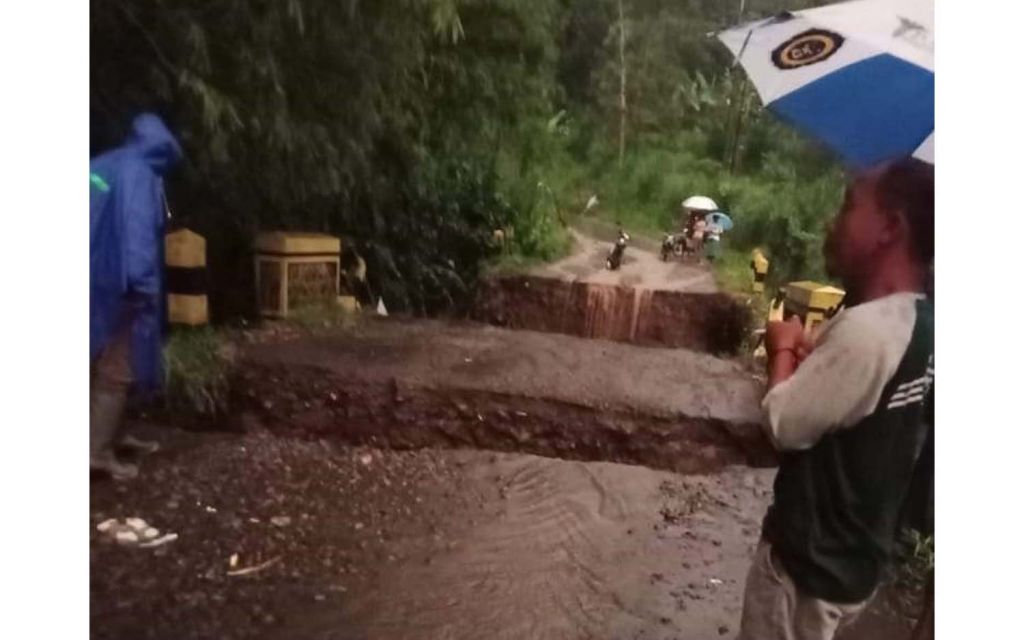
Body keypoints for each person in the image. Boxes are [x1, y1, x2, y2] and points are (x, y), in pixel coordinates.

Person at [737, 157, 934, 640]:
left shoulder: (866, 333)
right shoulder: (921, 324)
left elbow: (782, 421)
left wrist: (782, 344)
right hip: (855, 569)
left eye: (849, 206)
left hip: (804, 577)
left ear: (889, 227)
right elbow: (864, 406)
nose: (833, 221)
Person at [90, 113, 183, 480]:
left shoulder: (106, 163)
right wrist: (143, 284)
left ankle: (104, 435)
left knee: (93, 357)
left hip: (90, 273)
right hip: (115, 280)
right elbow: (137, 230)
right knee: (119, 365)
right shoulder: (139, 173)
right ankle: (95, 452)